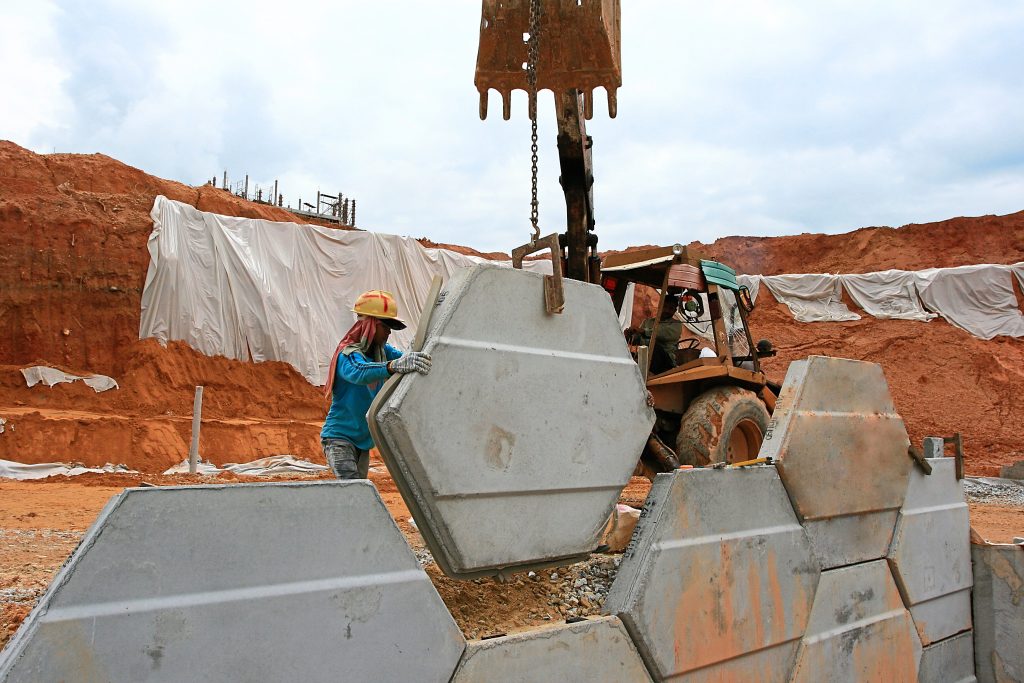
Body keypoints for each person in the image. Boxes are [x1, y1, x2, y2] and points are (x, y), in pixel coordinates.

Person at [321, 290, 431, 479]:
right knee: (352, 490)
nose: (388, 332)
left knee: (357, 493)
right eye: (385, 326)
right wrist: (392, 366)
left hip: (363, 442)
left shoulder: (382, 352)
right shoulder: (347, 355)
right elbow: (358, 372)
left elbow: (406, 359)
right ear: (370, 325)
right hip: (339, 438)